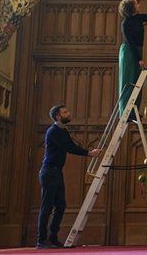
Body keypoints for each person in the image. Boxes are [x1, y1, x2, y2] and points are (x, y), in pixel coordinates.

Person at [38, 105, 100, 249]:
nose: (69, 113)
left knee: (60, 205)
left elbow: (71, 145)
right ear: (58, 117)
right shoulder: (53, 131)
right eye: (65, 112)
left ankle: (53, 238)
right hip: (49, 172)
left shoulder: (63, 130)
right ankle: (41, 240)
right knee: (46, 206)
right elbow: (69, 148)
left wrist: (88, 152)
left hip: (56, 172)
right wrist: (89, 153)